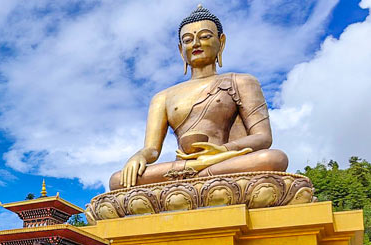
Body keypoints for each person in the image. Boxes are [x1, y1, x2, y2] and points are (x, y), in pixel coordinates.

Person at [110, 4, 288, 190]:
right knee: (118, 180)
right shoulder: (163, 97)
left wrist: (223, 151)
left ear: (221, 42)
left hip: (224, 162)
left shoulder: (241, 82)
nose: (195, 44)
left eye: (204, 36)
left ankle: (191, 181)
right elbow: (152, 150)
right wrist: (139, 156)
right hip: (183, 167)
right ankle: (196, 175)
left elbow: (263, 137)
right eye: (188, 40)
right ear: (181, 50)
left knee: (272, 159)